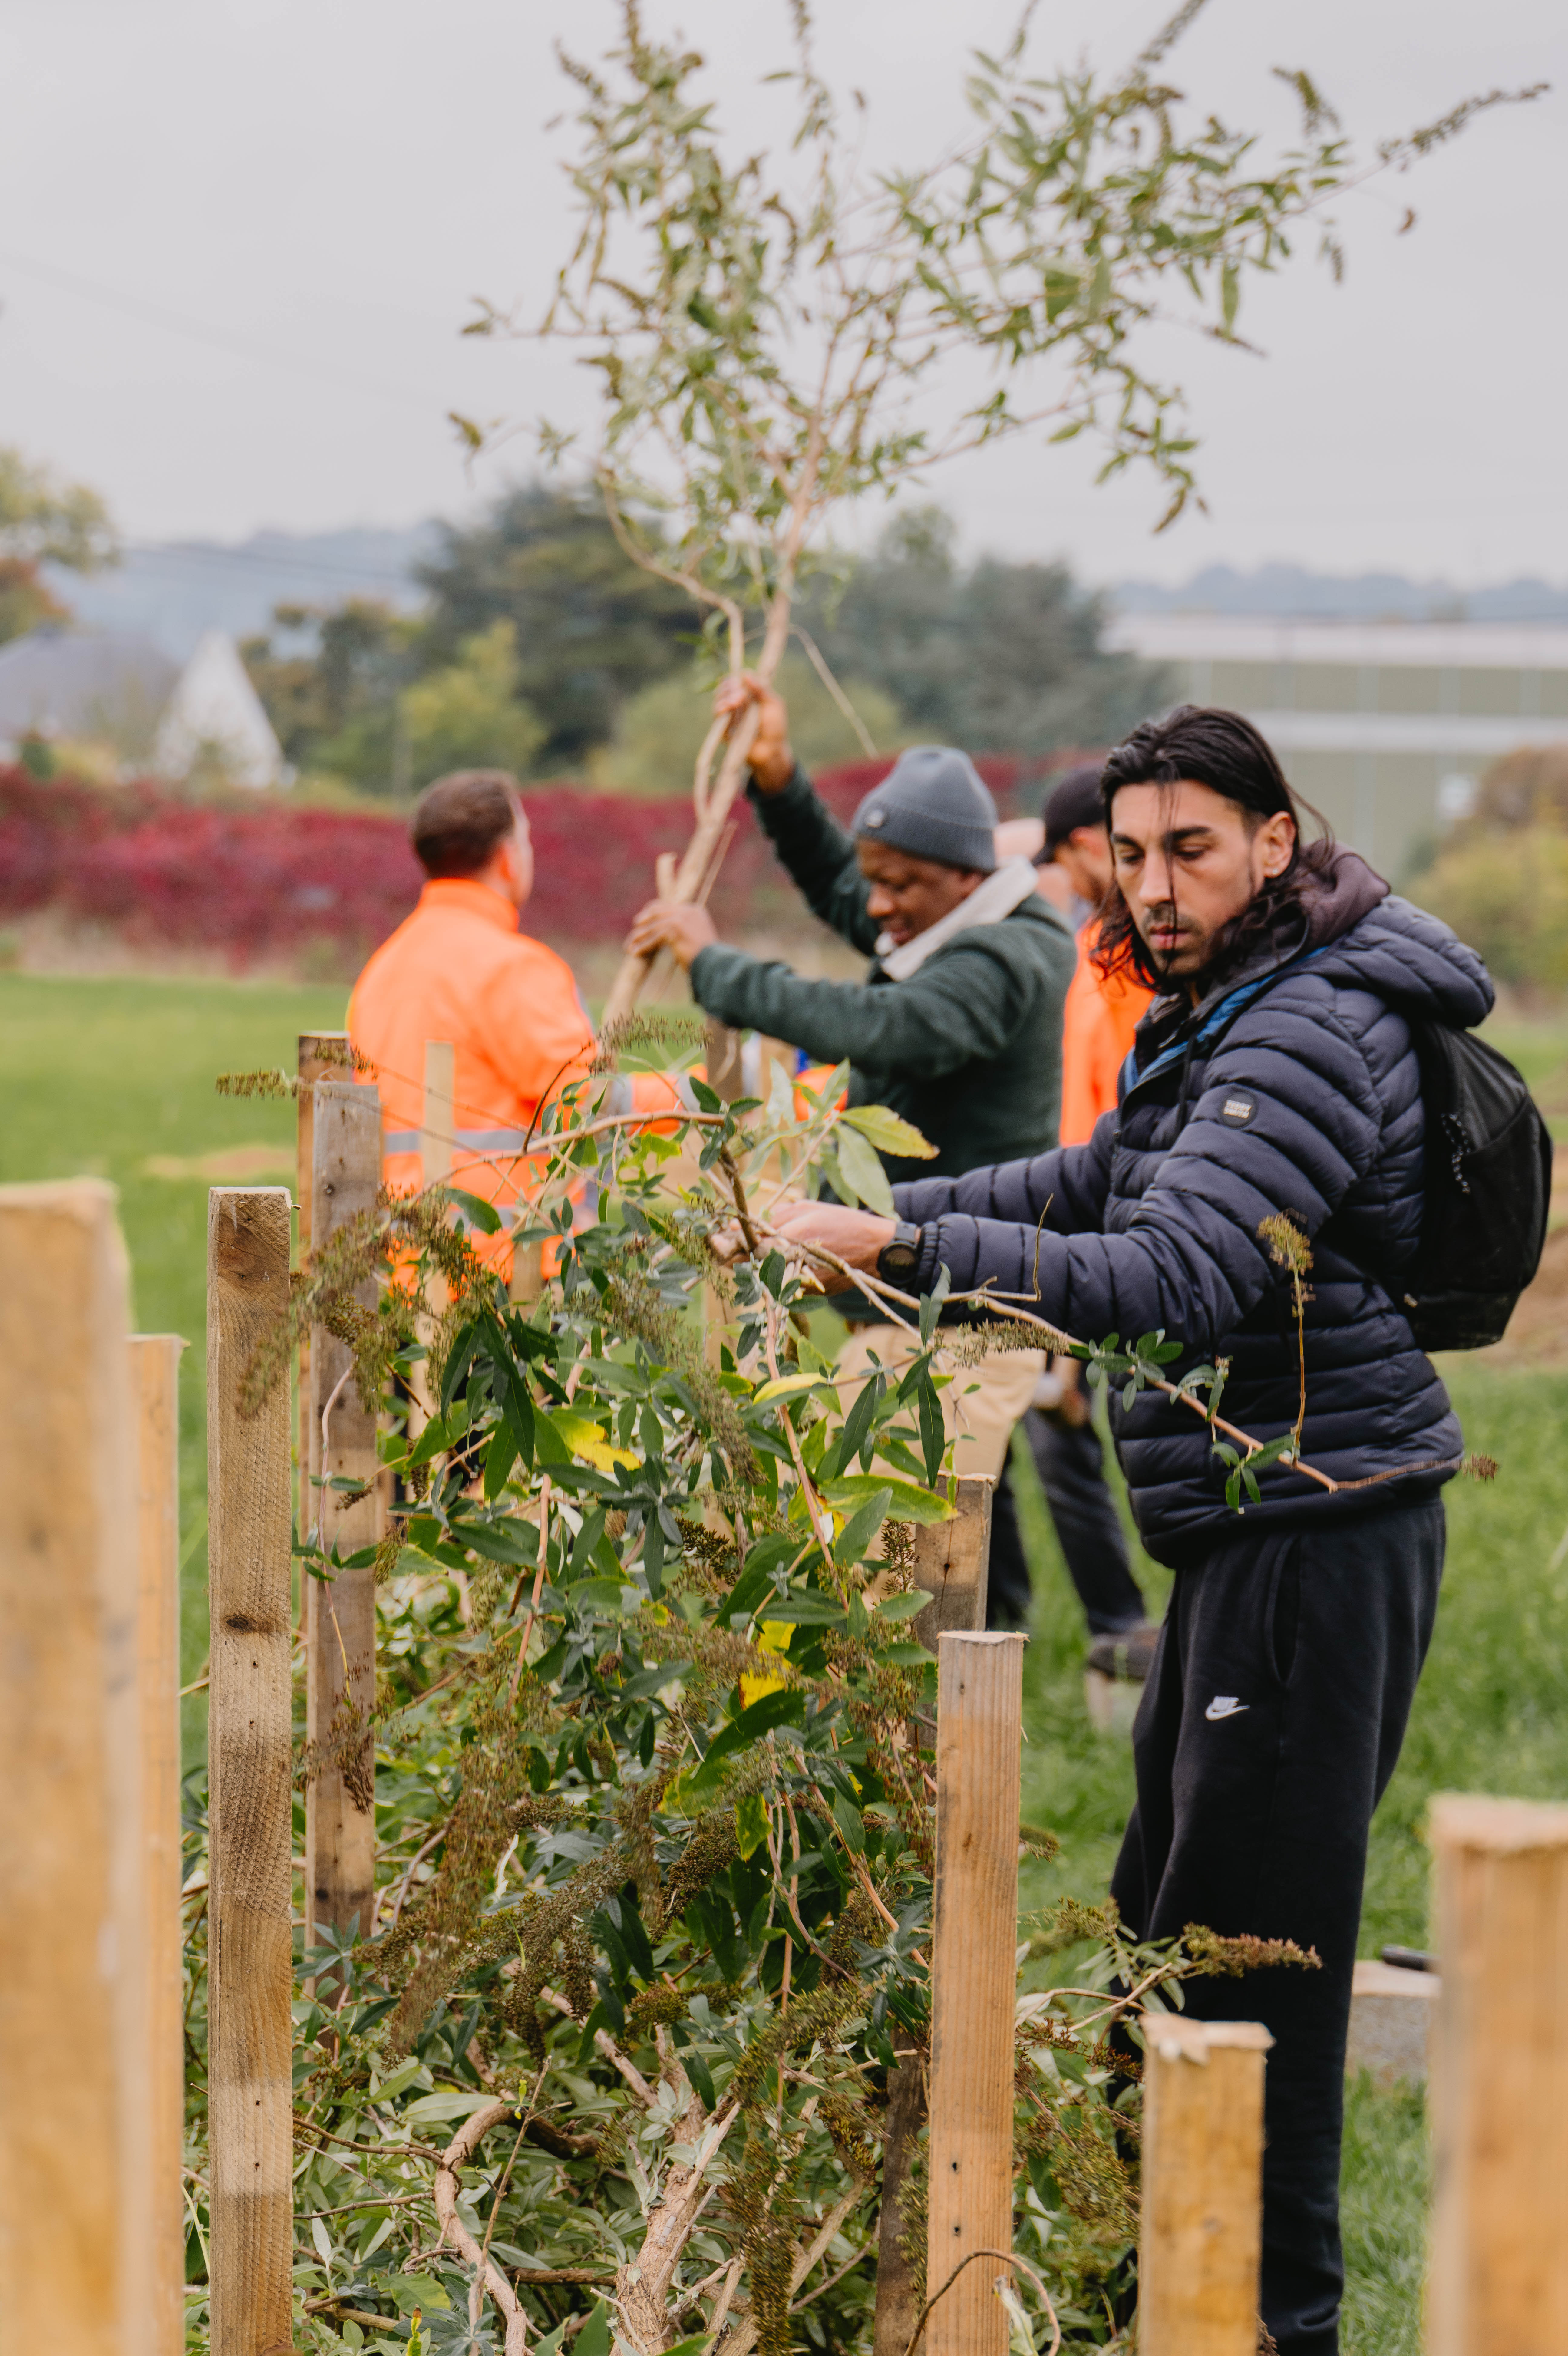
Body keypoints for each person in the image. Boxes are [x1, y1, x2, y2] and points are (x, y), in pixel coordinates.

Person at [758, 704, 1491, 2356]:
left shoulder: (1308, 1024)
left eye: (1194, 850)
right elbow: (1094, 1185)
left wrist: (901, 1252)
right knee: (1165, 1931)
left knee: (1250, 1979)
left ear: (1275, 842)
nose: (1155, 886)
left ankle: (1267, 2320)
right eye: (1137, 852)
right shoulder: (1231, 1002)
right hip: (1252, 1530)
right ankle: (1155, 2294)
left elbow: (1173, 1275)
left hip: (1315, 1533)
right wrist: (866, 1212)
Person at [624, 671, 1077, 1487]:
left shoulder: (1007, 958)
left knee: (902, 1534)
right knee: (922, 1524)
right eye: (877, 881)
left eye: (898, 885)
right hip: (914, 1304)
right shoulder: (950, 920)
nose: (875, 905)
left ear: (966, 876)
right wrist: (777, 779)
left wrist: (714, 964)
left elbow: (879, 1027)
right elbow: (846, 886)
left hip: (960, 1322)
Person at [989, 765, 1159, 1655]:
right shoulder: (1099, 945)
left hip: (1118, 1224)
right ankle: (1097, 1626)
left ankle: (1122, 1628)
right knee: (1050, 1424)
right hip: (1078, 1212)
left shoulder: (1136, 956)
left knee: (1089, 1424)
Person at [351, 769, 643, 1280]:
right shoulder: (514, 968)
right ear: (508, 857)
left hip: (404, 1274)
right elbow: (590, 1103)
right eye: (526, 839)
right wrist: (709, 1094)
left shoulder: (382, 969)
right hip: (508, 1274)